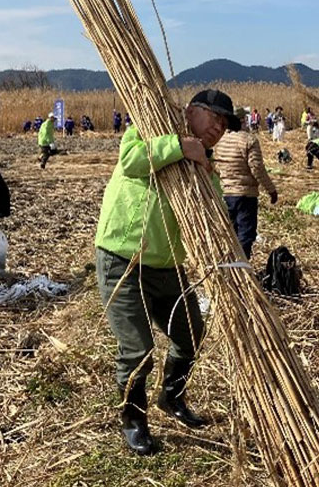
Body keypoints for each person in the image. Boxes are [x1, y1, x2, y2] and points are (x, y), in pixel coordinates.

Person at [95, 88, 235, 456]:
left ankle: (172, 397)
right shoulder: (149, 128)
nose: (219, 129)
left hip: (167, 264)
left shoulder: (203, 160)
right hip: (123, 259)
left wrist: (206, 169)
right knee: (137, 349)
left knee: (191, 330)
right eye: (215, 118)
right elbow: (130, 161)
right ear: (192, 110)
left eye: (225, 125)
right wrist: (178, 145)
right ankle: (134, 419)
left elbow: (212, 210)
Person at [213, 110, 278, 258]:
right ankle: (242, 267)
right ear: (242, 121)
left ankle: (230, 265)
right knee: (245, 234)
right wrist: (271, 190)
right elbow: (256, 168)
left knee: (230, 232)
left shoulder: (220, 140)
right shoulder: (249, 140)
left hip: (226, 193)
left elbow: (215, 166)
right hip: (245, 194)